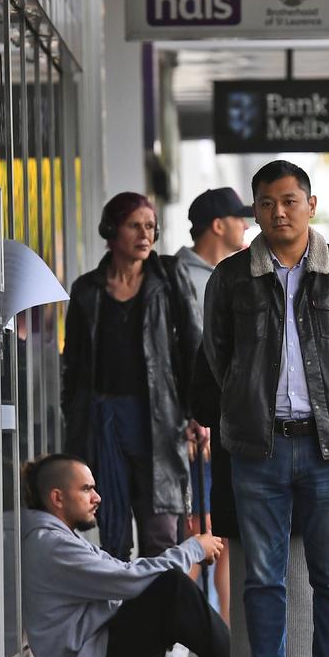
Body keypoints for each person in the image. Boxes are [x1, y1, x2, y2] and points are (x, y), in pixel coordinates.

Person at [203, 159, 329, 657]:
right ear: (255, 212)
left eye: (289, 201)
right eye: (266, 203)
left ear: (311, 205)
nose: (279, 212)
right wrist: (248, 398)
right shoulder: (230, 277)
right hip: (257, 448)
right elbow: (219, 356)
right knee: (262, 578)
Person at [61, 191, 202, 560]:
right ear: (111, 231)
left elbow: (194, 347)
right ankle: (123, 617)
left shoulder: (170, 278)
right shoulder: (86, 290)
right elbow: (72, 364)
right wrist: (74, 418)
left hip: (159, 420)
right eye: (134, 226)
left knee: (162, 534)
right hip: (103, 421)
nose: (144, 235)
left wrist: (198, 413)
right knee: (113, 536)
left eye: (150, 227)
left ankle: (163, 616)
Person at [20, 453, 229, 657]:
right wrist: (194, 549)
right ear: (58, 498)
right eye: (86, 489)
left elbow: (123, 573)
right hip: (94, 655)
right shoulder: (53, 545)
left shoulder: (57, 538)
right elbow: (129, 579)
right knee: (171, 588)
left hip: (99, 648)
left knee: (164, 588)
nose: (97, 497)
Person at [176, 186, 252, 622]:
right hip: (192, 429)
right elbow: (185, 356)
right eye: (240, 219)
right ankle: (183, 640)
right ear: (218, 225)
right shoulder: (180, 278)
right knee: (194, 530)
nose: (246, 227)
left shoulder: (237, 274)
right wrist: (193, 415)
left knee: (222, 535)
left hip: (226, 427)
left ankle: (223, 640)